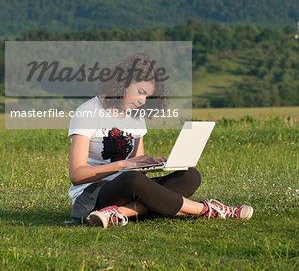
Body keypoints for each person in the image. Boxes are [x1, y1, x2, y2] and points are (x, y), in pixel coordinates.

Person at [68, 53, 253, 228]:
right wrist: (125, 165)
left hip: (128, 188)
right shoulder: (88, 113)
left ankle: (116, 213)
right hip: (92, 195)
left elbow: (138, 172)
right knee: (131, 180)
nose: (142, 101)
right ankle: (206, 210)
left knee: (190, 176)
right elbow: (77, 175)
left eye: (147, 96)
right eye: (140, 92)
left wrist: (150, 165)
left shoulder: (135, 116)